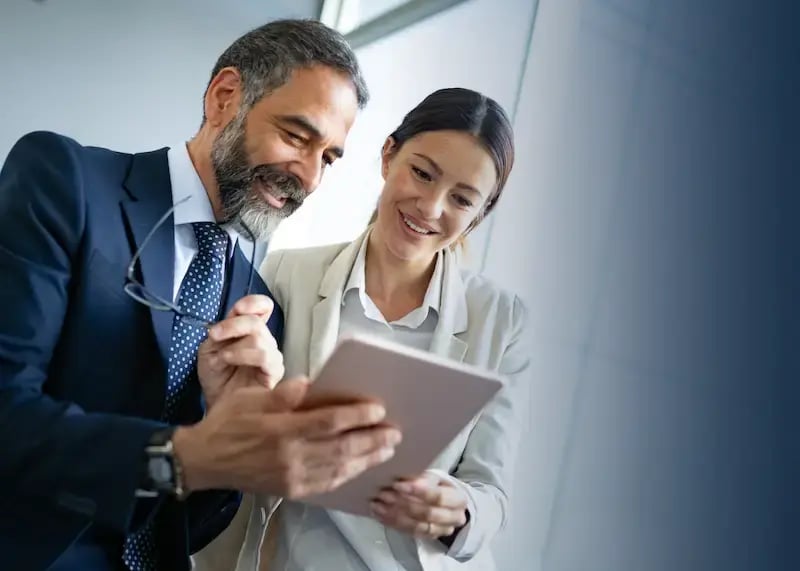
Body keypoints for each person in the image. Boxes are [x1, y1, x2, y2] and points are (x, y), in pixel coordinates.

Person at [0, 19, 401, 571]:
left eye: (328, 158)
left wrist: (231, 423)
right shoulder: (66, 181)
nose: (307, 177)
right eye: (295, 137)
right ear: (224, 97)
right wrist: (181, 456)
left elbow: (191, 528)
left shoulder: (257, 305)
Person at [199, 87, 531, 570]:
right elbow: (223, 427)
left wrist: (457, 510)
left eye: (461, 199)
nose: (430, 208)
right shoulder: (284, 276)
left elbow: (491, 494)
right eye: (422, 173)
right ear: (388, 155)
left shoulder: (501, 322)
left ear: (481, 213)